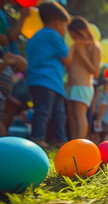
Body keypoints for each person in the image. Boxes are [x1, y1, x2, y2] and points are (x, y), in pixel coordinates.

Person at [26, 2, 72, 148]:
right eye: (65, 26)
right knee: (50, 113)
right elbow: (67, 59)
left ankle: (59, 139)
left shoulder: (35, 37)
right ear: (57, 23)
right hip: (49, 81)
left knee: (47, 111)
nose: (65, 31)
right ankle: (39, 138)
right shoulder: (53, 35)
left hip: (38, 80)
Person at [66, 16, 101, 140]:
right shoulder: (75, 46)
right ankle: (73, 142)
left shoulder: (95, 48)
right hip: (71, 85)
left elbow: (96, 72)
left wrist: (82, 54)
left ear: (84, 30)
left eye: (76, 36)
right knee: (71, 114)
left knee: (79, 113)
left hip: (84, 86)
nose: (75, 39)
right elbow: (68, 64)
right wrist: (76, 47)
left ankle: (80, 142)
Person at [91, 78, 108, 144]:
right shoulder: (99, 91)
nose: (106, 86)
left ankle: (101, 141)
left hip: (105, 113)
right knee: (96, 126)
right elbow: (95, 99)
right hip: (98, 111)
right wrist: (93, 107)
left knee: (103, 129)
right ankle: (95, 140)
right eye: (105, 85)